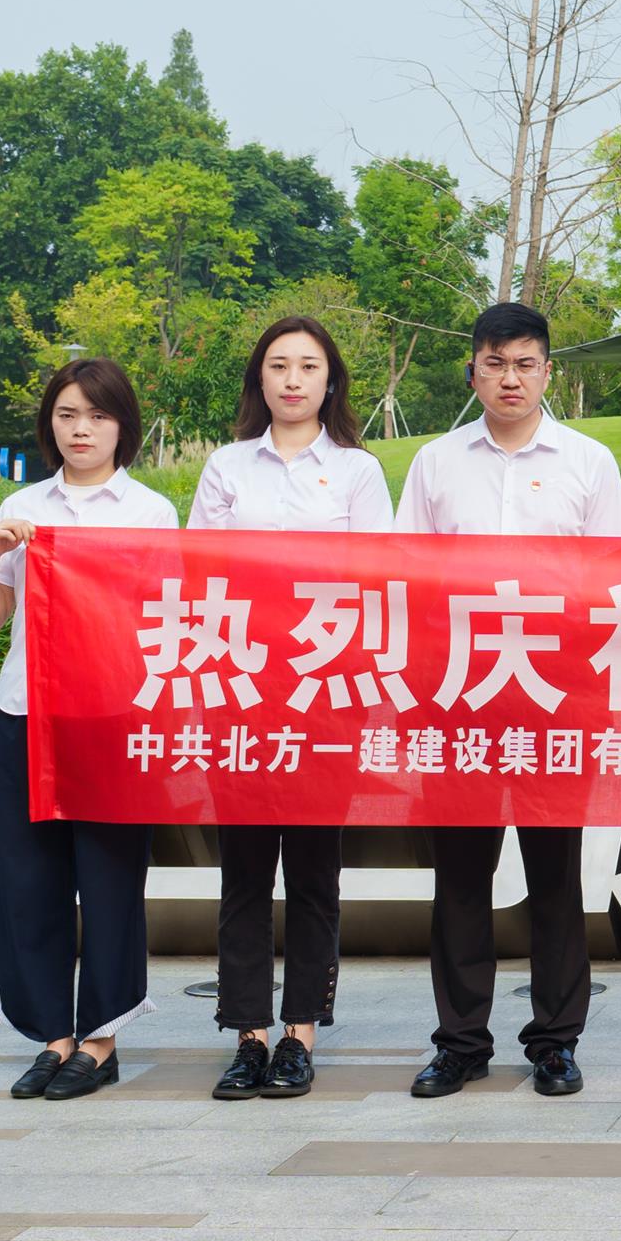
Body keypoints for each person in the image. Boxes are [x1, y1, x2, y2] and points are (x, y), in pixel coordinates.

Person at [392, 303, 621, 1100]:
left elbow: (617, 582)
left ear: (548, 372)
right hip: (458, 697)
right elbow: (405, 578)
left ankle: (555, 1041)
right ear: (473, 371)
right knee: (461, 877)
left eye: (525, 363)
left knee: (555, 875)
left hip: (555, 696)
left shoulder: (588, 462)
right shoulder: (435, 463)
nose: (510, 378)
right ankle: (459, 1042)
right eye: (495, 363)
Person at [186, 314, 391, 1103]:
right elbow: (200, 573)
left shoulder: (358, 472)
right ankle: (247, 1034)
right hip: (241, 692)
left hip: (323, 694)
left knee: (312, 870)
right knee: (243, 871)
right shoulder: (227, 465)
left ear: (330, 380)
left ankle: (300, 1032)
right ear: (259, 379)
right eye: (279, 365)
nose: (294, 379)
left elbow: (378, 580)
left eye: (308, 365)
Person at [0, 358, 178, 1101]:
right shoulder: (21, 505)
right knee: (29, 880)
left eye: (97, 415)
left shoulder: (150, 512)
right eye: (66, 415)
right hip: (26, 713)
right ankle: (52, 1037)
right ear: (49, 424)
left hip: (113, 718)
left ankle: (100, 1041)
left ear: (123, 425)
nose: (80, 429)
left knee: (111, 880)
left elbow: (165, 618)